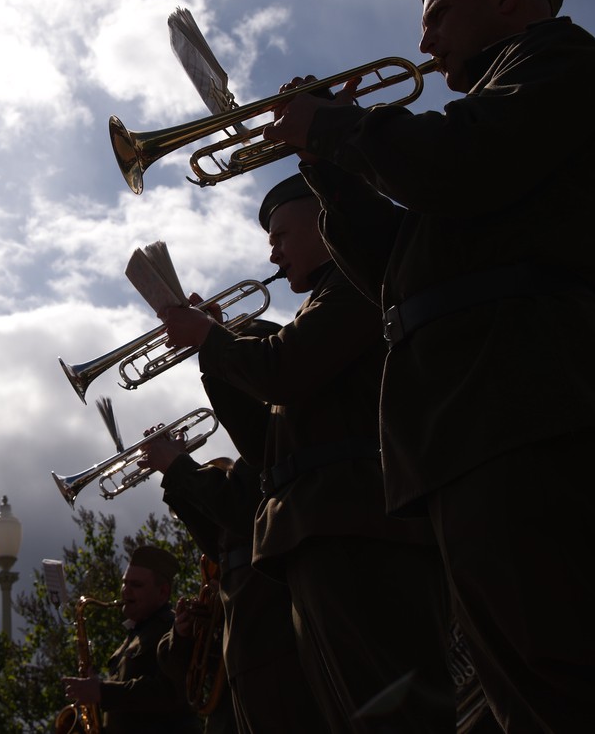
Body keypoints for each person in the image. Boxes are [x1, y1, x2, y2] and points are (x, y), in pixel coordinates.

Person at [263, 0, 595, 732]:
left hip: (538, 403)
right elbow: (394, 271)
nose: (425, 42)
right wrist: (326, 162)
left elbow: (458, 161)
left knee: (594, 685)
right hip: (477, 422)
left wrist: (341, 127)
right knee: (533, 698)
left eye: (436, 16)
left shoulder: (559, 61)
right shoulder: (486, 132)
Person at [159, 174, 454, 733]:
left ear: (323, 225)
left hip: (360, 522)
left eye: (281, 234)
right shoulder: (313, 307)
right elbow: (265, 446)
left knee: (397, 711)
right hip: (319, 527)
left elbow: (285, 371)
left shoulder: (355, 284)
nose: (271, 251)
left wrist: (213, 341)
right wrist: (216, 351)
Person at [140, 372, 332, 734]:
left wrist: (179, 467)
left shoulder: (273, 446)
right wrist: (177, 476)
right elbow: (221, 544)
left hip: (273, 644)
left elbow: (243, 514)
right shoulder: (263, 449)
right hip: (247, 648)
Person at [61, 545, 201, 734]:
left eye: (136, 585)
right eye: (125, 583)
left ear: (163, 592)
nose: (126, 591)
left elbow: (167, 692)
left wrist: (102, 691)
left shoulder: (171, 628)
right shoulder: (136, 633)